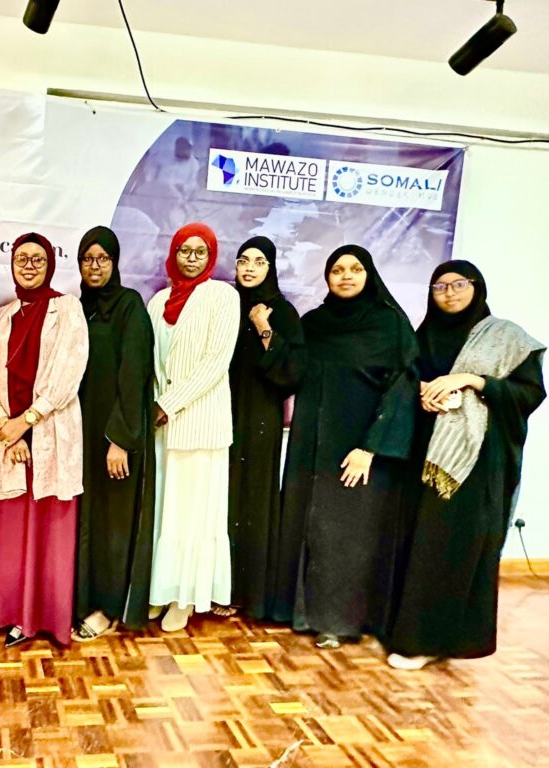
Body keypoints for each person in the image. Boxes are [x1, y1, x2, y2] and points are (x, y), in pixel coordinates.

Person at [386, 261, 545, 669]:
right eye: (439, 286)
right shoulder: (424, 336)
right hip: (424, 455)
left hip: (475, 462)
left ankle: (431, 641)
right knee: (420, 543)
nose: (449, 293)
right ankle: (418, 635)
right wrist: (422, 393)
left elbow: (529, 394)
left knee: (449, 547)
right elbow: (408, 381)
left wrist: (473, 381)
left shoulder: (506, 337)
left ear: (477, 287)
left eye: (459, 284)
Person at [276, 245, 418, 648]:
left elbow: (401, 389)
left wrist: (370, 448)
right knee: (311, 529)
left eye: (355, 269)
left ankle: (341, 622)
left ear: (369, 274)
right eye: (337, 269)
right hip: (312, 447)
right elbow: (291, 373)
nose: (346, 276)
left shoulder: (389, 325)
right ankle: (304, 614)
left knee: (349, 536)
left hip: (361, 450)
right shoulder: (316, 323)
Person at [0, 233, 88, 647]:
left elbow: (68, 371)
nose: (30, 265)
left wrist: (29, 420)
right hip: (9, 437)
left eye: (38, 259)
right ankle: (3, 611)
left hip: (50, 434)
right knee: (9, 529)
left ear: (51, 264)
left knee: (45, 531)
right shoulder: (4, 315)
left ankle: (36, 618)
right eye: (22, 258)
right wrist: (7, 425)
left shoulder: (67, 308)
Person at [146, 223, 240, 632]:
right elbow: (152, 361)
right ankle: (161, 590)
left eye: (200, 252)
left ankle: (186, 598)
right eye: (184, 250)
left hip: (200, 424)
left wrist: (167, 404)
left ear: (211, 257)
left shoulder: (222, 296)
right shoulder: (159, 301)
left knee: (194, 514)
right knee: (166, 511)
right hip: (163, 427)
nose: (191, 258)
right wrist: (153, 406)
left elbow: (215, 362)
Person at [72, 225, 156, 641]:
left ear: (115, 262)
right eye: (87, 259)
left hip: (115, 437)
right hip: (81, 434)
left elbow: (135, 372)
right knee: (89, 520)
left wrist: (120, 439)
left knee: (113, 523)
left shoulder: (129, 305)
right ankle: (84, 601)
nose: (94, 266)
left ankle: (107, 608)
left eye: (102, 259)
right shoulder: (77, 308)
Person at [227, 236, 305, 620]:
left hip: (260, 416)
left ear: (271, 267)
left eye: (259, 261)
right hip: (223, 413)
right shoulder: (224, 303)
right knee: (224, 499)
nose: (250, 268)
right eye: (244, 260)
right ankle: (221, 588)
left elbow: (291, 372)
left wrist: (263, 328)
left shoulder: (282, 311)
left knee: (254, 501)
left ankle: (251, 594)